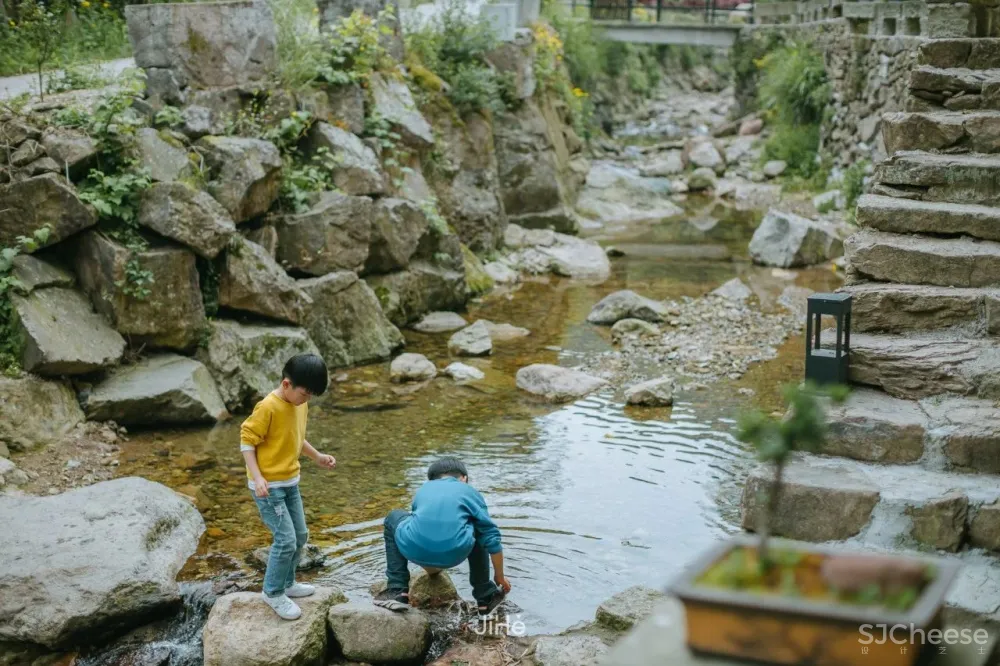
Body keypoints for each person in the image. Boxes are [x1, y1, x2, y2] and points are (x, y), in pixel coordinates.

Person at [241, 353, 336, 621]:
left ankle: (288, 583)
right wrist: (258, 477)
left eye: (310, 396)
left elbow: (296, 438)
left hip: (290, 483)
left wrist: (317, 456)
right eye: (304, 394)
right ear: (286, 384)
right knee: (285, 540)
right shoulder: (267, 407)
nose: (307, 400)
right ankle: (272, 592)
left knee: (301, 536)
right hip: (269, 488)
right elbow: (246, 441)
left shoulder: (298, 404)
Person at [375, 457, 511, 617]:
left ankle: (397, 590)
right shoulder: (468, 491)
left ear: (431, 479)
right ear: (464, 479)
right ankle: (485, 597)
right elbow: (492, 539)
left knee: (393, 517)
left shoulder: (424, 489)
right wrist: (499, 577)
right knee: (479, 526)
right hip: (455, 554)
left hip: (414, 550)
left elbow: (424, 529)